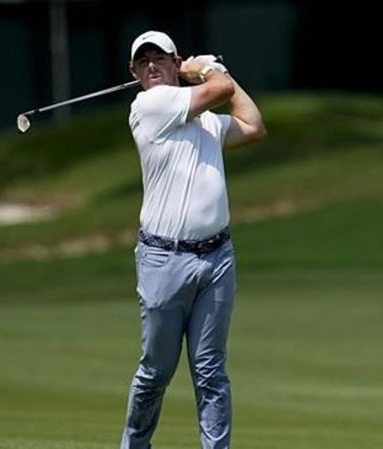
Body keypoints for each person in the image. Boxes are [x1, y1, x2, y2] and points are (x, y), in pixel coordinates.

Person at [120, 30, 266, 449]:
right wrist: (208, 70)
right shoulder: (149, 106)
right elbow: (220, 90)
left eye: (160, 58)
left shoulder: (205, 123)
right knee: (156, 371)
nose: (152, 65)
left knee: (211, 371)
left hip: (217, 257)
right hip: (164, 260)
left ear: (174, 62)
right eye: (143, 61)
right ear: (134, 72)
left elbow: (253, 125)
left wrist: (210, 72)